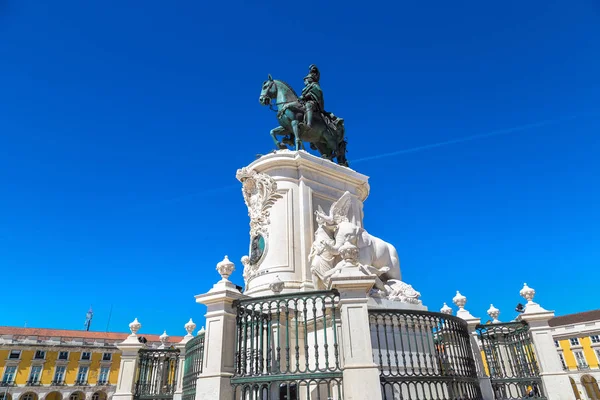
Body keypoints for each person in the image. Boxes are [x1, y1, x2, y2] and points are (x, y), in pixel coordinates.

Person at [299, 64, 324, 129]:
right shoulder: (304, 89)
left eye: (305, 80)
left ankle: (309, 125)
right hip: (303, 102)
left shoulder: (314, 85)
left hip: (313, 103)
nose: (304, 82)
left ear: (309, 80)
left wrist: (306, 96)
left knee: (308, 105)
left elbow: (318, 92)